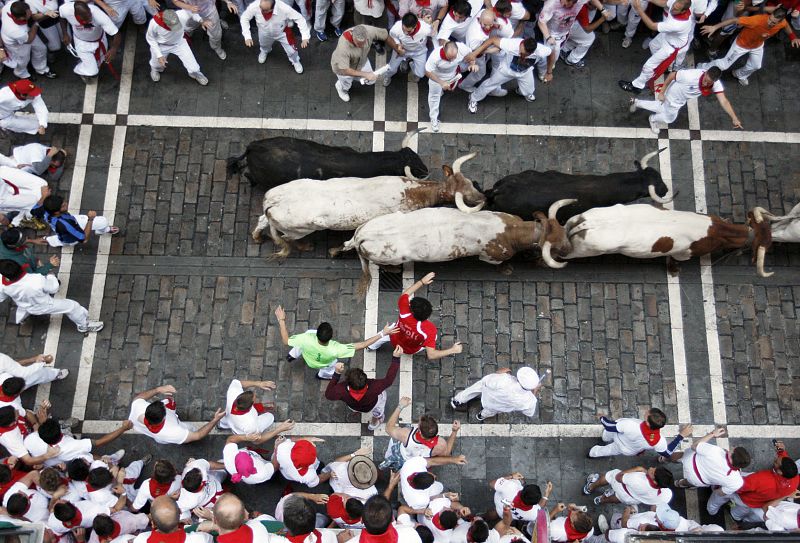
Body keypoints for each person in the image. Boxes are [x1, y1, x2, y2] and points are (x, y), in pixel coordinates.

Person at [275, 305, 396, 379]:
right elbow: (364, 344)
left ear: (317, 334)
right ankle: (322, 376)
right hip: (321, 364)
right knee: (330, 368)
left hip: (308, 358)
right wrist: (383, 334)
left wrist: (281, 320)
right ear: (331, 337)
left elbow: (286, 340)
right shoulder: (336, 349)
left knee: (301, 341)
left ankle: (292, 355)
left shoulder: (306, 338)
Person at [369, 273, 463, 358]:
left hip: (394, 337)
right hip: (409, 350)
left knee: (383, 334)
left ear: (412, 310)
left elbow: (405, 294)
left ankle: (370, 346)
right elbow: (431, 355)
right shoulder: (430, 330)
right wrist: (453, 350)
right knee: (430, 341)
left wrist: (422, 282)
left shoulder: (404, 311)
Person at [699, 6, 800, 85]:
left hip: (757, 45)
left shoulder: (782, 23)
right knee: (724, 65)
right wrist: (715, 27)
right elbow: (734, 20)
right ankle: (702, 67)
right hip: (741, 45)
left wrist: (793, 37)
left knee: (756, 65)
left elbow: (786, 26)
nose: (769, 22)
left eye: (773, 22)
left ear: (780, 21)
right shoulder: (757, 20)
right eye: (770, 19)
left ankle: (739, 74)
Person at [707, 440, 799, 523]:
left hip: (743, 496)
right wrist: (781, 451)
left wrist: (722, 487)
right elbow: (785, 460)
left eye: (776, 462)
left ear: (780, 472)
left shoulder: (761, 479)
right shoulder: (795, 478)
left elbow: (738, 487)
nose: (775, 459)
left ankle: (712, 510)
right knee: (740, 511)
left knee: (719, 495)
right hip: (755, 503)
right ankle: (735, 517)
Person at [0, 259, 105, 333]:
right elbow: (53, 288)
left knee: (25, 309)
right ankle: (83, 326)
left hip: (24, 304)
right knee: (72, 306)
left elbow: (1, 298)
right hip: (43, 305)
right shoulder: (36, 279)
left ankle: (21, 319)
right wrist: (50, 274)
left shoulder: (2, 285)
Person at [628, 66, 742, 133]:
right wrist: (662, 92)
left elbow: (724, 101)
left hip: (679, 98)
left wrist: (734, 117)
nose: (705, 83)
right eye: (705, 79)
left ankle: (637, 102)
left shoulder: (715, 84)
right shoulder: (691, 76)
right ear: (706, 72)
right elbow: (672, 75)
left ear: (715, 81)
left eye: (709, 82)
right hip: (675, 97)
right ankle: (652, 119)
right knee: (669, 118)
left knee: (660, 106)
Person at [618, 0, 693, 94]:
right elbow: (664, 3)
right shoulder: (677, 3)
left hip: (671, 47)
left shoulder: (678, 24)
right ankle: (661, 66)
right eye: (674, 5)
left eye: (676, 9)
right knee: (652, 45)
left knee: (648, 66)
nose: (672, 8)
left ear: (683, 11)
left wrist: (639, 9)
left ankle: (637, 86)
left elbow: (652, 26)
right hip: (668, 36)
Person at [465, 36, 551, 114]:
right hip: (506, 71)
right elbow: (492, 40)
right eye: (521, 52)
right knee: (490, 84)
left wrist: (549, 72)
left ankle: (521, 91)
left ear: (532, 52)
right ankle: (473, 98)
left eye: (525, 54)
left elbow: (552, 52)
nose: (522, 55)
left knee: (529, 92)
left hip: (525, 72)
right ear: (522, 44)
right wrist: (475, 53)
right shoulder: (512, 44)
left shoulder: (542, 51)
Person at [325, 345, 402, 431]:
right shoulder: (375, 387)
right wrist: (396, 358)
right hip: (373, 405)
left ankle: (358, 411)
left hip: (353, 406)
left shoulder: (341, 390)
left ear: (348, 382)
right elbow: (389, 380)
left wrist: (336, 374)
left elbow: (328, 394)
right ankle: (373, 424)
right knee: (378, 409)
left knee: (356, 407)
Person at [538, 0, 610, 82]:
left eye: (569, 2)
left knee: (553, 57)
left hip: (565, 32)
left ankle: (551, 65)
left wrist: (603, 10)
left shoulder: (580, 1)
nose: (564, 3)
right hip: (553, 35)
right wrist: (548, 37)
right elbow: (541, 22)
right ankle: (543, 74)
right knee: (549, 57)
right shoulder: (552, 3)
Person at [127, 384, 224, 445]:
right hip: (176, 431)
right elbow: (197, 435)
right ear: (163, 418)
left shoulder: (138, 407)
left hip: (158, 437)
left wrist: (158, 389)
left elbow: (139, 398)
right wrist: (215, 420)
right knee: (191, 430)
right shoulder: (175, 432)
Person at [382, 397, 461, 469]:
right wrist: (454, 431)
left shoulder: (405, 434)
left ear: (419, 430)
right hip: (418, 464)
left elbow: (388, 428)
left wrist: (400, 406)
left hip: (404, 457)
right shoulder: (441, 444)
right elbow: (446, 454)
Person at [669, 427, 750, 494]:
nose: (733, 447)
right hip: (696, 479)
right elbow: (719, 492)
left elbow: (694, 446)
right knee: (689, 482)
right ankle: (679, 483)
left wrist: (713, 434)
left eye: (733, 448)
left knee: (681, 455)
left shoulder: (717, 452)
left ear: (731, 456)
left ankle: (665, 458)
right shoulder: (737, 482)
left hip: (689, 460)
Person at [451, 366, 548, 421]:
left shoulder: (505, 379)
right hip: (495, 406)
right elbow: (529, 413)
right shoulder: (529, 401)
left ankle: (457, 401)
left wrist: (500, 372)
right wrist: (533, 393)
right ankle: (480, 416)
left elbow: (487, 381)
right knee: (490, 411)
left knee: (476, 388)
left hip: (487, 393)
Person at [24, 417, 129, 467]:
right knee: (89, 456)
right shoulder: (72, 445)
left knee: (88, 454)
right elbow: (100, 442)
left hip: (58, 463)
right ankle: (111, 461)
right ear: (60, 431)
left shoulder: (31, 440)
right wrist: (123, 428)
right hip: (72, 460)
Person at [330, 25, 397, 102]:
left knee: (371, 80)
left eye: (364, 42)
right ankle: (341, 88)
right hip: (343, 70)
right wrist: (366, 74)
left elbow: (385, 35)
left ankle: (354, 79)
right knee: (347, 85)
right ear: (353, 38)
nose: (362, 46)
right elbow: (346, 70)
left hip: (362, 61)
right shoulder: (343, 47)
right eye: (359, 44)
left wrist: (397, 48)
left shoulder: (369, 31)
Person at [59, 0, 122, 82]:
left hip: (100, 40)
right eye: (86, 18)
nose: (89, 19)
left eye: (89, 16)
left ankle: (89, 64)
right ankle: (79, 69)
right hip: (81, 43)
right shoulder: (65, 9)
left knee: (100, 63)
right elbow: (61, 17)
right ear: (76, 15)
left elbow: (116, 33)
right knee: (93, 71)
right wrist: (65, 33)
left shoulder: (97, 13)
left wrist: (114, 49)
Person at [588, 408, 690, 458]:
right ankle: (593, 453)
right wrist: (680, 436)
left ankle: (604, 439)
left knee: (607, 435)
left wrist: (601, 417)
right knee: (608, 450)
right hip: (627, 449)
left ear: (647, 422)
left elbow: (609, 426)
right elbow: (667, 453)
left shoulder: (630, 425)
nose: (646, 411)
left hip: (618, 434)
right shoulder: (659, 441)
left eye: (647, 413)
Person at [241, 0, 310, 71]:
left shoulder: (283, 8)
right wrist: (247, 36)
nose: (261, 11)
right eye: (260, 7)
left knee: (292, 51)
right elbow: (244, 18)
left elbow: (299, 18)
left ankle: (295, 61)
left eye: (265, 10)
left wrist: (305, 36)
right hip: (264, 33)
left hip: (282, 33)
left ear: (272, 8)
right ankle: (265, 51)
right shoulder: (255, 6)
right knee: (264, 45)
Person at [146, 9, 210, 85]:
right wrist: (159, 55)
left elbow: (192, 12)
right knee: (156, 64)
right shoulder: (154, 24)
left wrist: (201, 21)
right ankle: (155, 69)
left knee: (194, 67)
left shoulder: (180, 15)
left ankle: (195, 74)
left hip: (179, 43)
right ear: (165, 23)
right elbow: (151, 39)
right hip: (162, 46)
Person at [31, 193, 120, 247]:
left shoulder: (45, 207)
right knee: (63, 241)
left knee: (103, 222)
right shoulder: (65, 225)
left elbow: (33, 211)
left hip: (68, 223)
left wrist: (44, 196)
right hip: (69, 231)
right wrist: (90, 219)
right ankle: (46, 240)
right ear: (56, 212)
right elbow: (84, 239)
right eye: (63, 206)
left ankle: (101, 230)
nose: (66, 204)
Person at [222, 419, 294, 484]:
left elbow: (230, 440)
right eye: (249, 457)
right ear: (253, 465)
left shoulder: (229, 458)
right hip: (265, 466)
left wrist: (247, 437)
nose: (246, 453)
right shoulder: (261, 474)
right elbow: (275, 466)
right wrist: (277, 447)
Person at [1, 1, 57, 79]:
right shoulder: (15, 30)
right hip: (16, 42)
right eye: (29, 14)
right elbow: (29, 39)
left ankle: (41, 69)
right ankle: (21, 73)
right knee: (22, 60)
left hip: (26, 32)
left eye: (29, 10)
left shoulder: (12, 4)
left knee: (41, 48)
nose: (31, 13)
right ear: (21, 18)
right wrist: (36, 23)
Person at [132, 496, 214, 542]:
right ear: (180, 513)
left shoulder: (141, 539)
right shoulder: (200, 538)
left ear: (153, 524)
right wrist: (211, 517)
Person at [400, 454, 467, 510]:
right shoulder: (420, 501)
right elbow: (430, 499)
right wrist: (444, 495)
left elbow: (432, 461)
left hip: (408, 492)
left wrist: (454, 460)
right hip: (415, 499)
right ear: (425, 489)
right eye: (432, 481)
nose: (435, 476)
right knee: (440, 487)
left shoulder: (410, 464)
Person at [583, 466, 674, 506]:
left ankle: (590, 487)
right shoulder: (666, 494)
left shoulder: (637, 478)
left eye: (653, 471)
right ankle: (600, 500)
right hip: (632, 499)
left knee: (611, 475)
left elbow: (618, 477)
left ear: (655, 481)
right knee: (618, 498)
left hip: (622, 486)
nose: (651, 468)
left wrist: (638, 469)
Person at [383, 13, 433, 86]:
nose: (405, 33)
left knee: (421, 74)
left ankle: (411, 64)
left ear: (415, 26)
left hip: (419, 52)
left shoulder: (426, 29)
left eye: (408, 31)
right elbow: (392, 36)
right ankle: (387, 76)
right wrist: (398, 46)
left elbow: (434, 34)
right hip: (402, 51)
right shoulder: (396, 27)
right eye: (403, 29)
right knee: (391, 69)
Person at [0, 143, 67, 182]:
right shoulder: (37, 152)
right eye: (52, 165)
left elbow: (54, 177)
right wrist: (49, 156)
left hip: (23, 166)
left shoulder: (50, 153)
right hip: (16, 162)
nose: (53, 167)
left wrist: (63, 160)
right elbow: (39, 170)